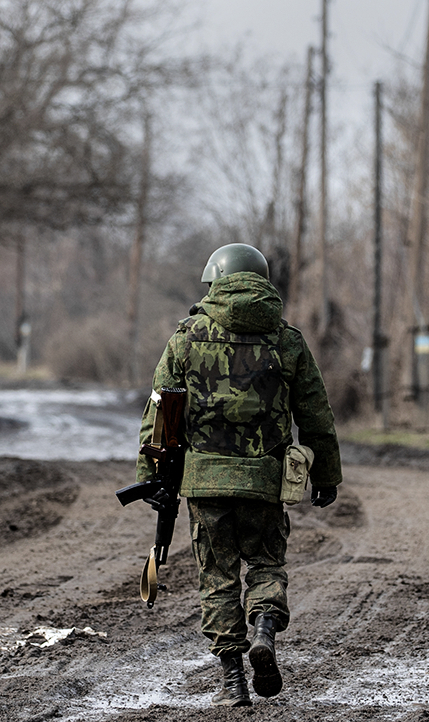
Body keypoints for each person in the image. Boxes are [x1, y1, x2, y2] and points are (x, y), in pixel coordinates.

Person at [135, 242, 343, 707]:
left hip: (205, 483)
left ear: (217, 281)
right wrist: (326, 476)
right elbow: (316, 414)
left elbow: (161, 413)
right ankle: (264, 631)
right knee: (267, 564)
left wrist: (152, 473)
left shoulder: (186, 337)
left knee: (218, 578)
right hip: (266, 480)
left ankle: (233, 681)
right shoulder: (287, 341)